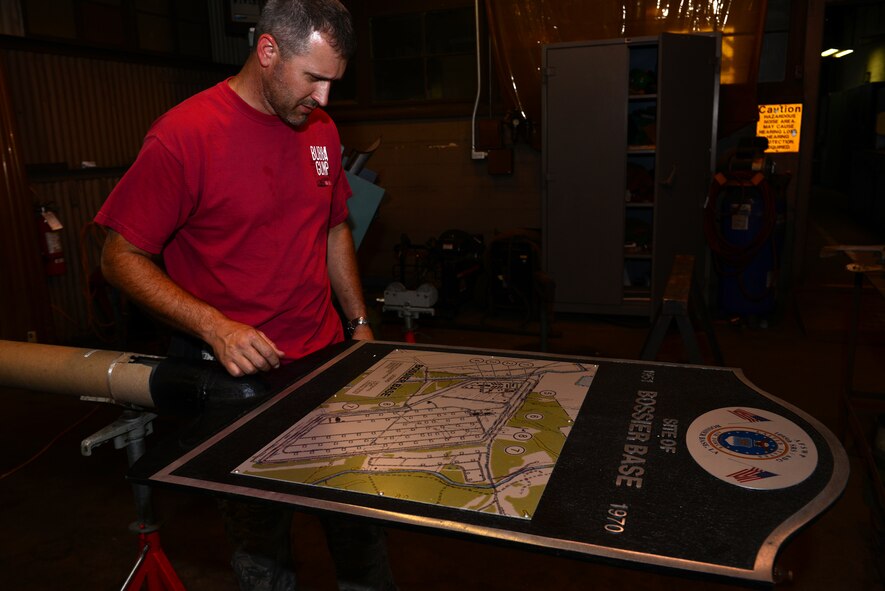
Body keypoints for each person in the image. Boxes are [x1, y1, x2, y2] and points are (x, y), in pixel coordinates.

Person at [95, 1, 396, 589]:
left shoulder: (322, 132)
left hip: (325, 360)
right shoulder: (184, 136)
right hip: (239, 383)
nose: (325, 99)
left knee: (361, 530)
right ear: (267, 52)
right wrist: (216, 326)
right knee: (264, 556)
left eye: (334, 82)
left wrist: (358, 321)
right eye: (314, 78)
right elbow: (118, 257)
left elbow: (334, 226)